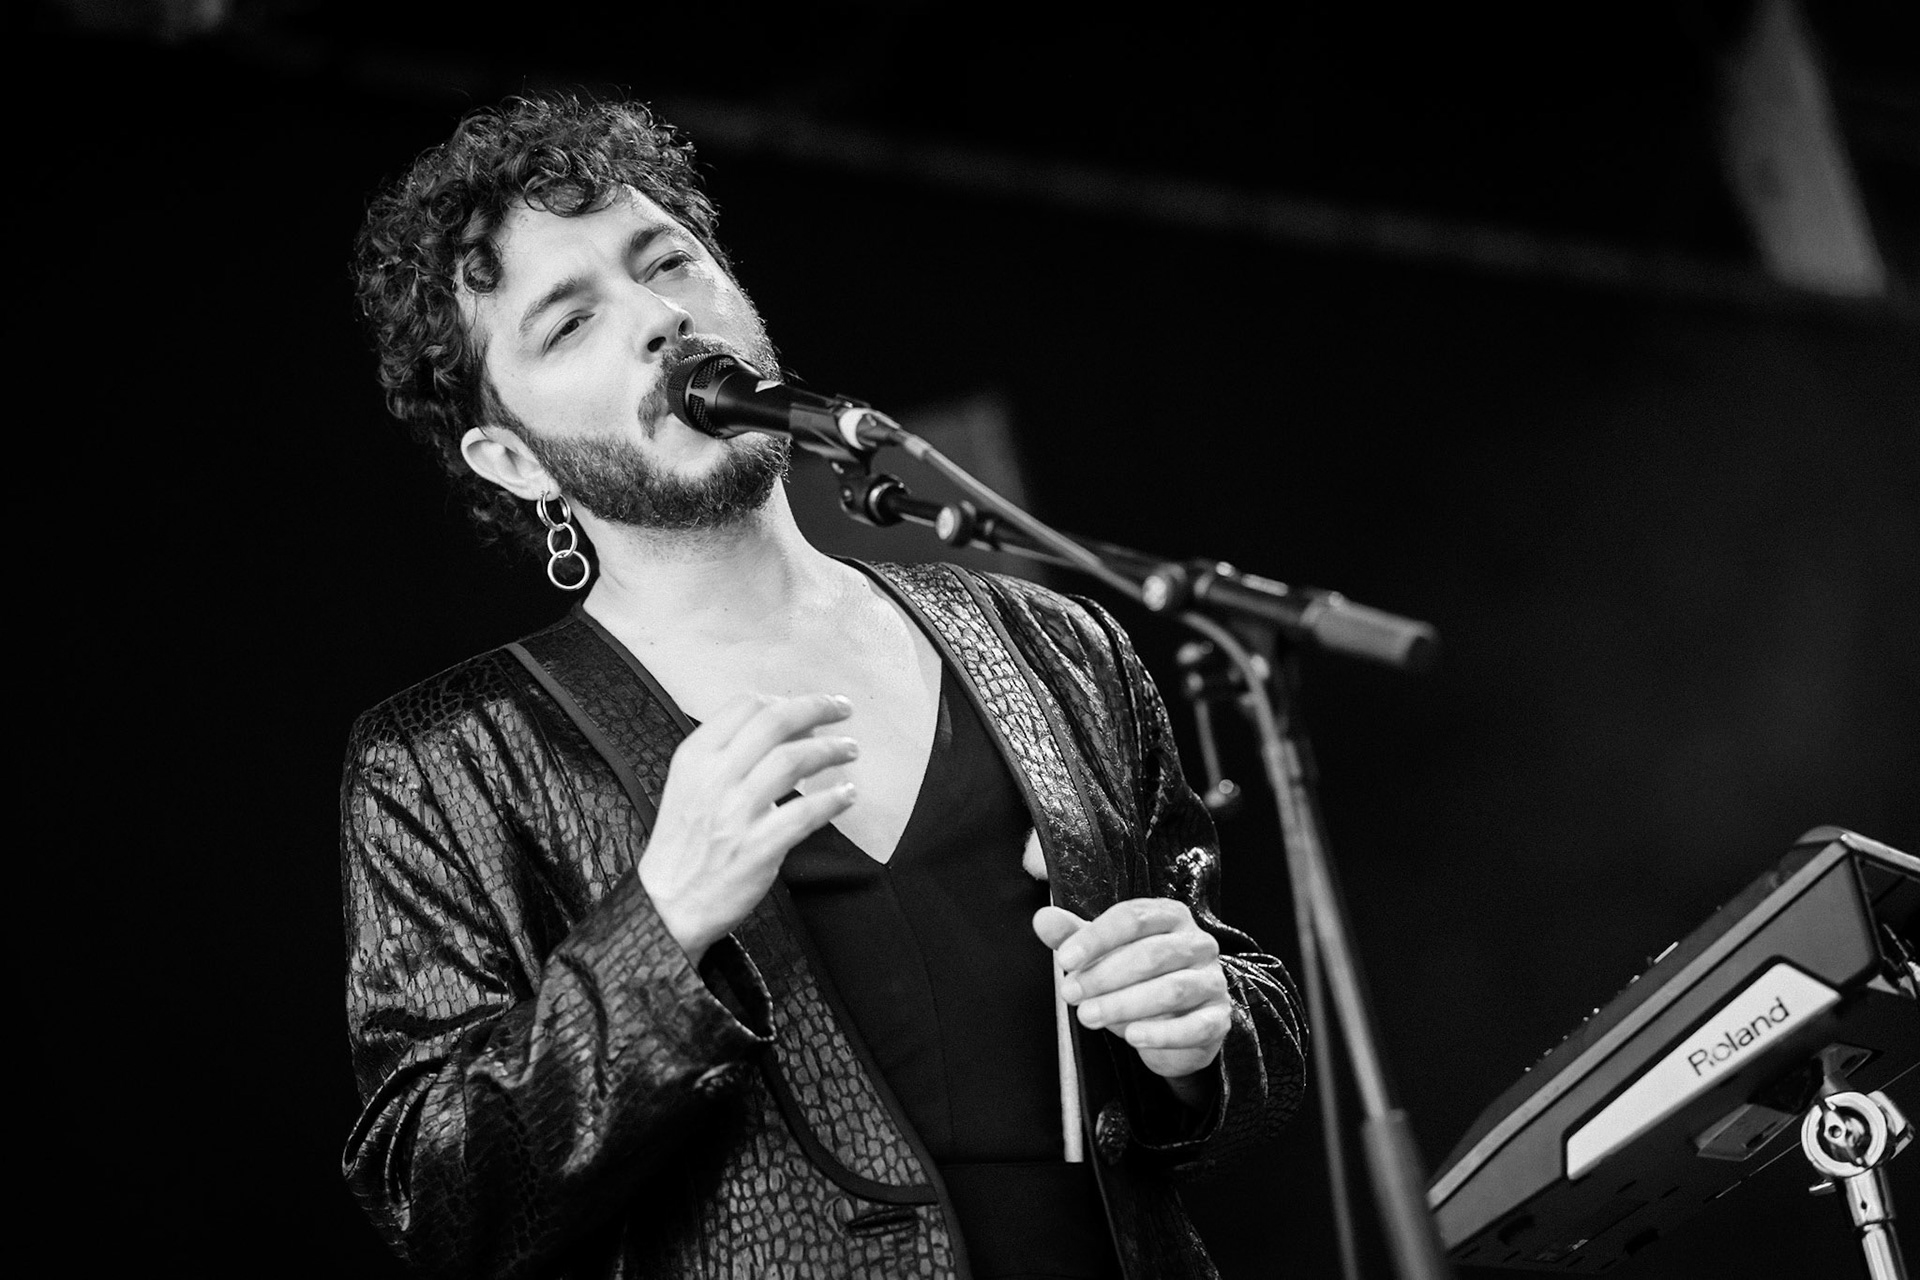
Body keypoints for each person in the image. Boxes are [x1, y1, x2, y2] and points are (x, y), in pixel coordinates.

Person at [341, 93, 1307, 1280]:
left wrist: (1198, 1035)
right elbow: (438, 1202)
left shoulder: (1056, 644)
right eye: (570, 322)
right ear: (513, 456)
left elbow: (1244, 1041)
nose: (656, 317)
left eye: (670, 262)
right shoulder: (446, 762)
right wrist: (659, 923)